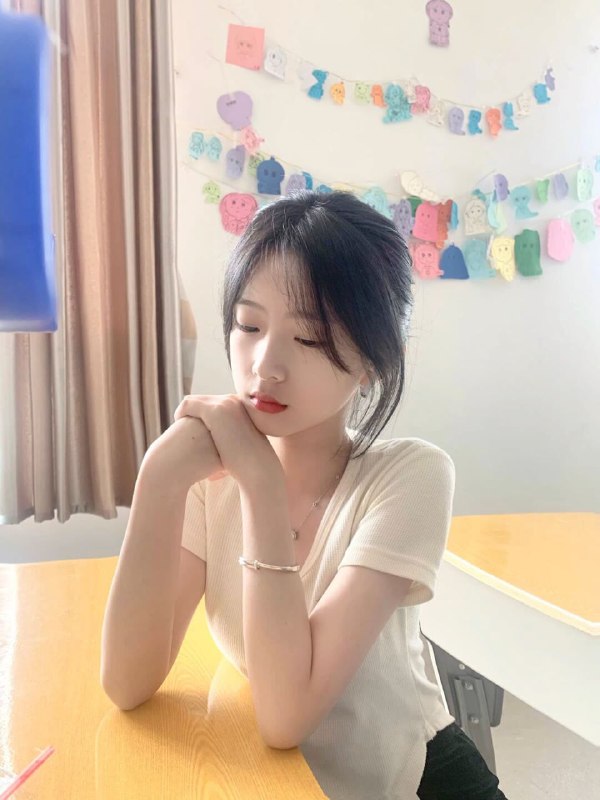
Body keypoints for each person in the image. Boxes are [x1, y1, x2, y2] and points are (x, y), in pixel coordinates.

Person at [101, 190, 507, 799]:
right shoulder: (208, 478)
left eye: (311, 338)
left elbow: (286, 718)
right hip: (282, 781)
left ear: (373, 362)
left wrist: (261, 482)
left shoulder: (411, 477)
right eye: (249, 325)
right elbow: (127, 683)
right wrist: (158, 478)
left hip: (412, 778)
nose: (266, 364)